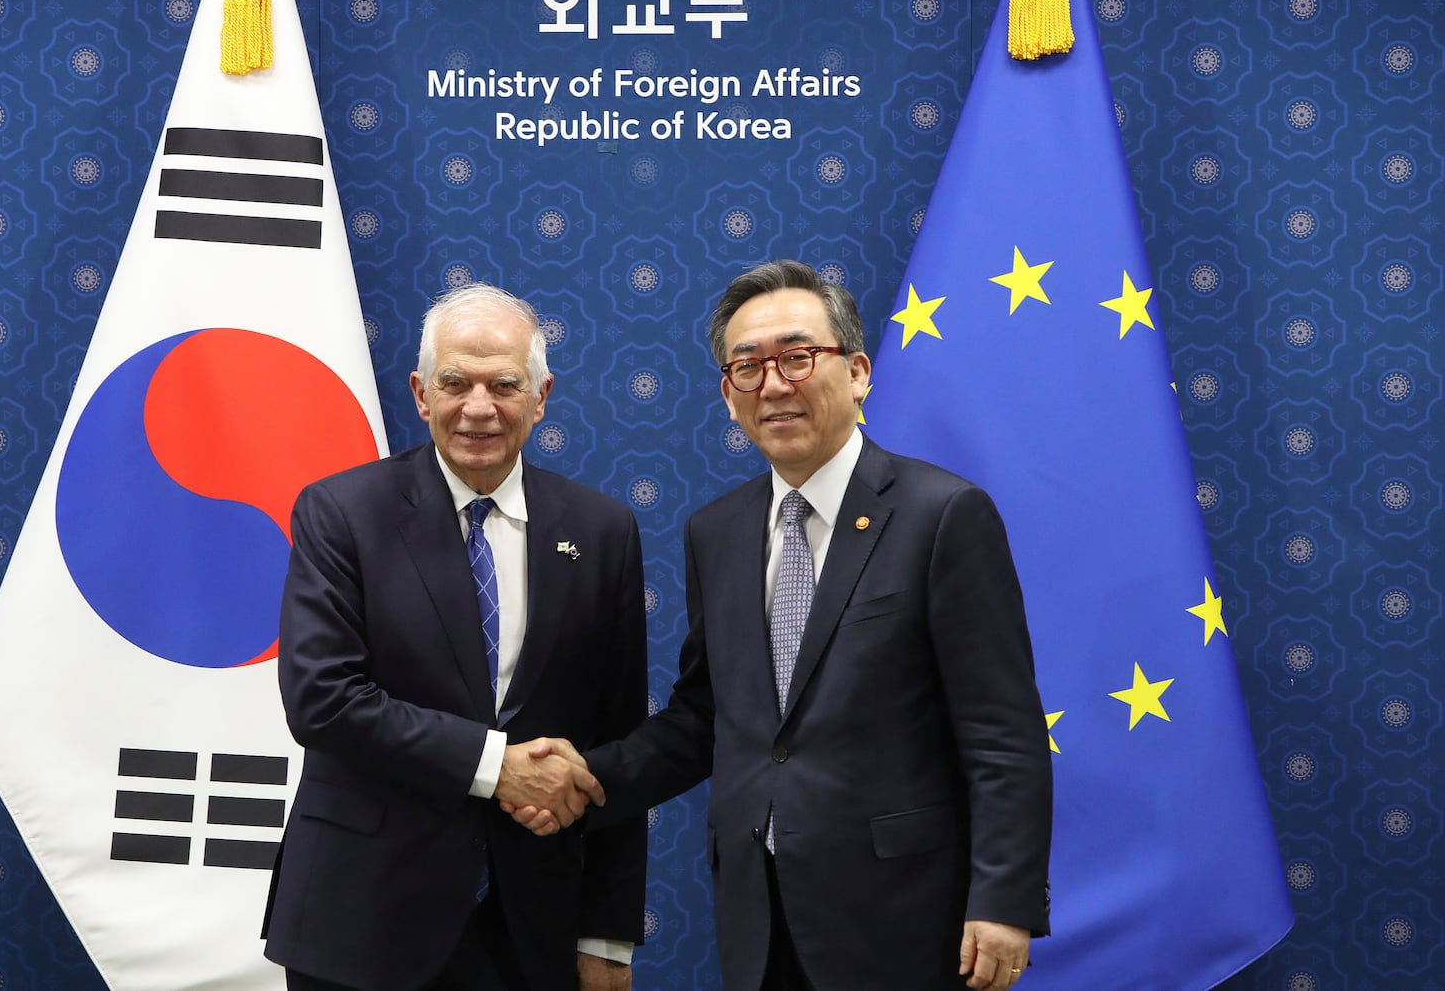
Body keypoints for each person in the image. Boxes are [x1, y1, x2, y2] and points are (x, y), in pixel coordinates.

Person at [514, 261, 1051, 990]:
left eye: (798, 357)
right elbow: (706, 718)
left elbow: (1002, 731)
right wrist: (589, 776)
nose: (773, 384)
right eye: (747, 367)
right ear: (729, 396)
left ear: (858, 372)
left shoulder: (943, 516)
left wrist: (1004, 900)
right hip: (759, 916)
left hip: (910, 919)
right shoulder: (717, 531)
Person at [263, 284, 647, 991]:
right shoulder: (342, 512)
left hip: (529, 929)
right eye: (455, 382)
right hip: (361, 920)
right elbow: (321, 699)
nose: (478, 407)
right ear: (419, 392)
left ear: (540, 395)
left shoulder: (602, 531)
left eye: (504, 384)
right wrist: (497, 763)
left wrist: (607, 935)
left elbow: (616, 743)